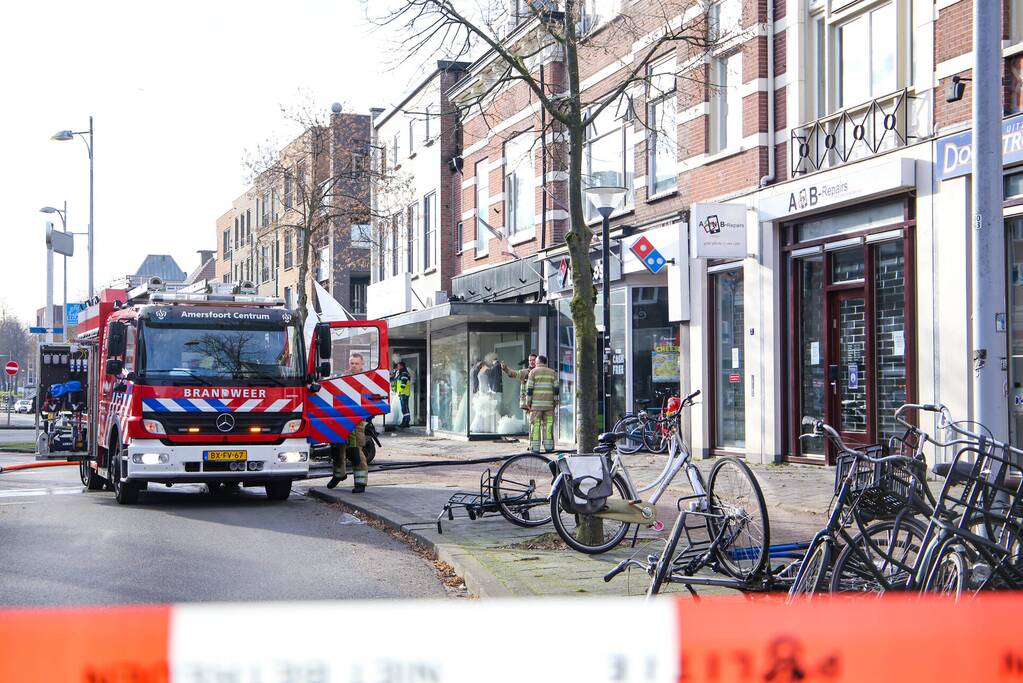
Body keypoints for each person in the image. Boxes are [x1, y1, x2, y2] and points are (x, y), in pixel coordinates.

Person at [327, 352, 369, 493]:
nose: (354, 366)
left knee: (356, 451)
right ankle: (339, 475)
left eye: (356, 363)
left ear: (362, 364)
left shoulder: (368, 379)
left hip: (357, 420)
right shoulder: (343, 378)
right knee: (337, 449)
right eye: (352, 363)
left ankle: (360, 483)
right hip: (341, 418)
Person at [525, 355, 559, 453]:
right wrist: (555, 402)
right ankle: (549, 447)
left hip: (536, 406)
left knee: (536, 426)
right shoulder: (553, 373)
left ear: (538, 362)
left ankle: (535, 448)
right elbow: (556, 390)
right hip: (549, 406)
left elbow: (529, 390)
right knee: (548, 426)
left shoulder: (533, 372)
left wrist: (528, 403)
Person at [391, 361, 412, 428]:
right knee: (404, 408)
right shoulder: (401, 373)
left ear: (402, 366)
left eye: (398, 366)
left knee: (404, 408)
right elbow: (394, 379)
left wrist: (400, 391)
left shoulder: (404, 374)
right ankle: (406, 421)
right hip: (403, 393)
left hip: (404, 393)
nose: (397, 367)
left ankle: (406, 421)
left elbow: (403, 384)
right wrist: (394, 374)